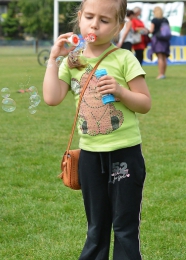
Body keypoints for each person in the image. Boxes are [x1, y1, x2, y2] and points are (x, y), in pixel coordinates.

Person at [43, 0, 151, 259]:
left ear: (118, 26)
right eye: (89, 17)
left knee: (124, 227)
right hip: (90, 156)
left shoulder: (124, 58)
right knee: (96, 226)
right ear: (79, 18)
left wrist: (120, 91)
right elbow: (51, 97)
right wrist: (53, 59)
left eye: (104, 20)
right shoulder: (72, 61)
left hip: (125, 153)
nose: (95, 24)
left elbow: (145, 103)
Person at [149, 6, 170, 79]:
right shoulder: (165, 20)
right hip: (165, 40)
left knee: (160, 57)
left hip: (158, 40)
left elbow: (151, 30)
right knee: (164, 57)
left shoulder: (154, 20)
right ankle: (163, 73)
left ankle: (160, 74)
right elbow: (168, 30)